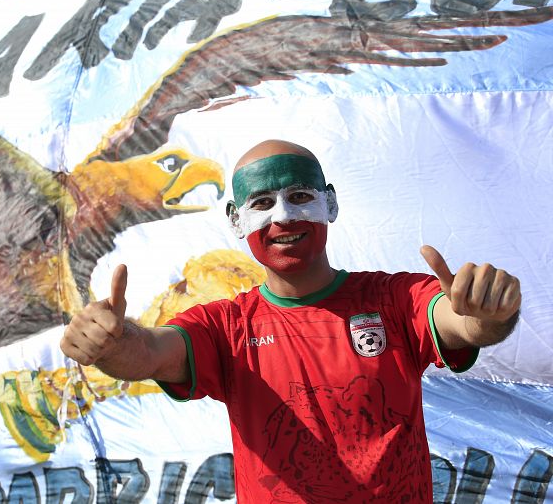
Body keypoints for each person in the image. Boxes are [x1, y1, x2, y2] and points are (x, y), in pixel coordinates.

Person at [59, 140, 521, 503]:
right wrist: (113, 345)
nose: (282, 216)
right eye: (262, 203)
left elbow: (461, 323)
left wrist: (488, 312)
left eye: (300, 196)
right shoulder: (225, 326)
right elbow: (151, 353)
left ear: (330, 205)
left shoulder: (394, 299)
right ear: (237, 221)